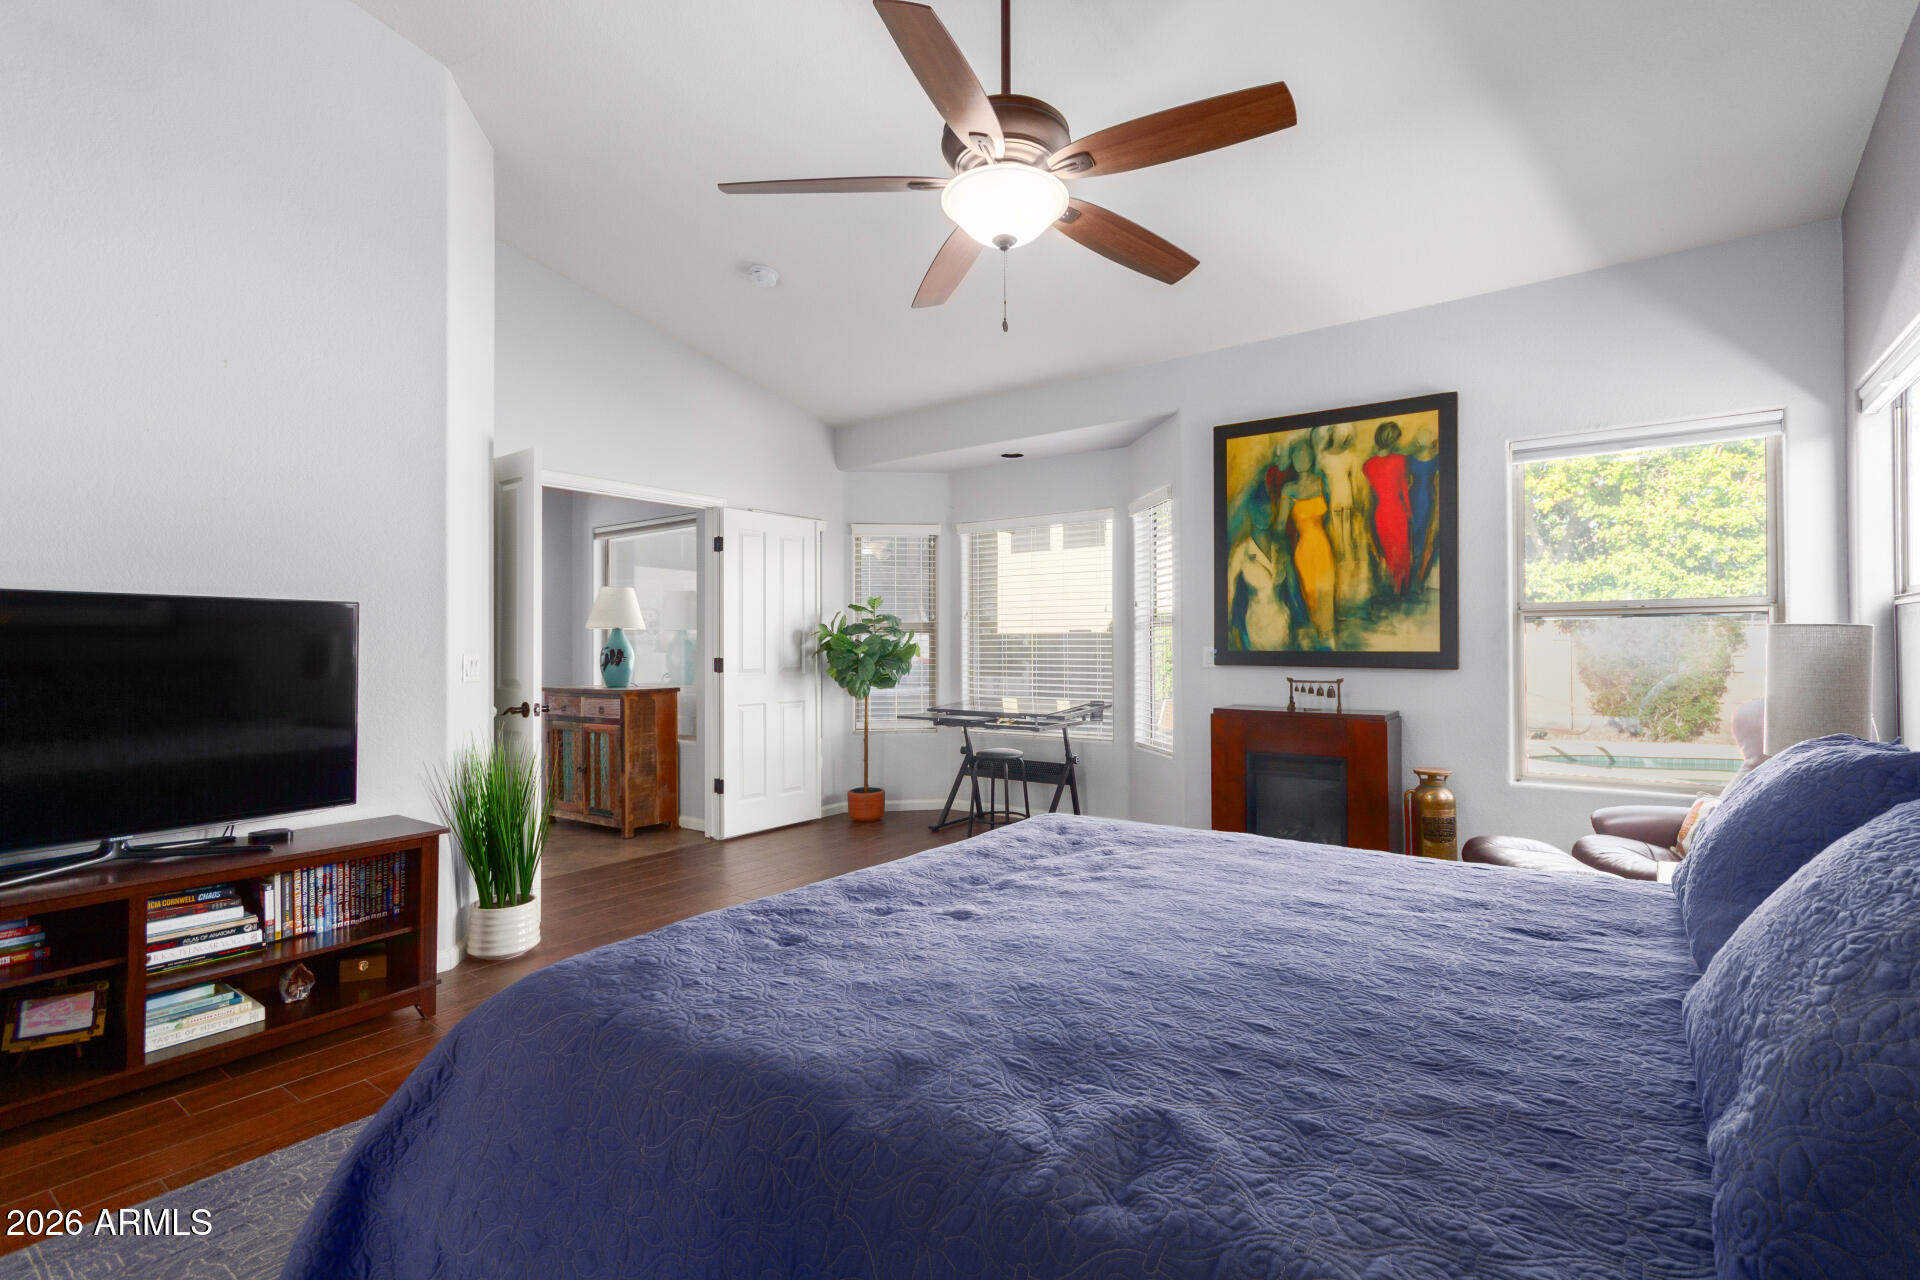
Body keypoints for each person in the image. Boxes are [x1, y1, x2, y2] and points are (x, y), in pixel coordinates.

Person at [1226, 463, 1301, 651]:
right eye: (1258, 509)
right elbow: (1229, 596)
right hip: (1255, 630)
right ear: (1250, 512)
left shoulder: (1281, 547)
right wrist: (1230, 631)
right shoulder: (1241, 552)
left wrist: (1301, 625)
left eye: (1267, 508)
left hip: (1283, 626)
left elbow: (1293, 590)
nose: (1263, 513)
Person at [1312, 421, 1377, 622]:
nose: (1343, 440)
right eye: (1339, 435)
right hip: (1330, 506)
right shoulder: (1322, 457)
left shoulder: (1350, 456)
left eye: (1345, 437)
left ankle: (1356, 602)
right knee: (1336, 550)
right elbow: (1317, 480)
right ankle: (1339, 604)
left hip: (1348, 504)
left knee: (1352, 550)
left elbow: (1356, 483)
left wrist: (1360, 509)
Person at [1276, 439, 1335, 644]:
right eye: (1297, 456)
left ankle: (1327, 635)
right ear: (1291, 460)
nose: (1301, 459)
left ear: (1311, 457)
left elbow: (1328, 516)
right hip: (1304, 549)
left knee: (1327, 589)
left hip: (1323, 545)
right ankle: (1318, 638)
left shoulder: (1321, 482)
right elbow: (1281, 525)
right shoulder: (1288, 489)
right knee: (1310, 594)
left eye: (1305, 455)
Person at [1362, 421, 1413, 595]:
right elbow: (1403, 489)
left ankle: (1394, 588)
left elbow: (1372, 493)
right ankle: (1401, 588)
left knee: (1388, 550)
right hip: (1397, 510)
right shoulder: (1400, 460)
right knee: (1401, 549)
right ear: (1392, 440)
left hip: (1381, 513)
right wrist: (1409, 511)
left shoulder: (1367, 465)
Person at [1406, 431, 1442, 591]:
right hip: (1425, 496)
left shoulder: (1412, 459)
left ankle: (1416, 578)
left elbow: (1408, 481)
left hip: (1417, 495)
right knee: (1419, 535)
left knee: (1418, 535)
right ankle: (1416, 579)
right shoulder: (1435, 460)